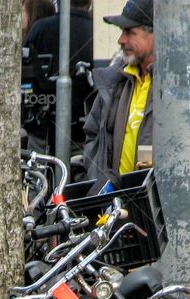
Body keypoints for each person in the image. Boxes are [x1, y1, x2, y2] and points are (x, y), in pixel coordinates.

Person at [82, 0, 154, 191]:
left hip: (161, 214)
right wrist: (101, 182)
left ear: (156, 35)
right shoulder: (116, 82)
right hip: (117, 209)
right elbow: (92, 136)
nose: (121, 40)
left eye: (130, 32)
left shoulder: (179, 88)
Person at [24, 0, 94, 150]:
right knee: (83, 169)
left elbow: (24, 73)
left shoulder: (40, 28)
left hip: (42, 129)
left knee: (38, 169)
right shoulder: (96, 31)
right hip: (85, 130)